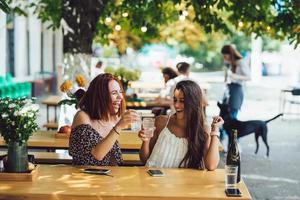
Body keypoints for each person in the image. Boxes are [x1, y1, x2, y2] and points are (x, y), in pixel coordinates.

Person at [138, 80, 223, 170]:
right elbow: (145, 160)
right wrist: (145, 141)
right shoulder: (161, 122)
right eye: (175, 100)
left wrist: (215, 130)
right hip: (153, 181)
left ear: (194, 102)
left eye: (182, 101)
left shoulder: (202, 129)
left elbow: (211, 165)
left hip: (184, 183)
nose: (176, 105)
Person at [69, 73, 139, 166]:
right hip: (88, 177)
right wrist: (118, 127)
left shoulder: (111, 117)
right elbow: (97, 155)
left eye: (120, 92)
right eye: (114, 93)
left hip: (112, 176)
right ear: (100, 96)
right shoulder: (82, 117)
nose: (120, 97)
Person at [221, 45, 251, 119]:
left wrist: (235, 76)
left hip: (237, 90)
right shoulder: (232, 62)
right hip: (230, 89)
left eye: (225, 55)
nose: (224, 57)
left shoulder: (241, 62)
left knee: (232, 117)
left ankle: (231, 130)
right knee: (224, 114)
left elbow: (249, 77)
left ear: (230, 54)